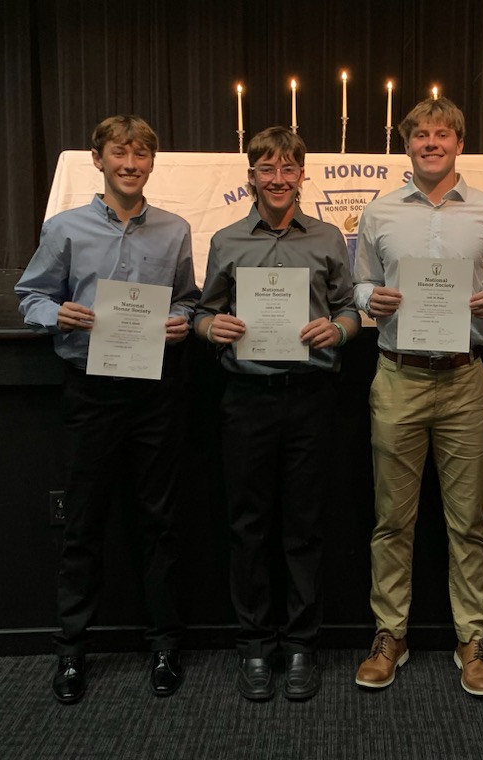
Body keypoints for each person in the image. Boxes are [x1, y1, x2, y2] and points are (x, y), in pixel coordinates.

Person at [15, 114, 199, 704]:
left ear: (151, 163)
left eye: (141, 155)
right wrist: (55, 314)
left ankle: (165, 643)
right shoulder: (65, 228)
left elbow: (190, 302)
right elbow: (31, 295)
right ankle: (71, 651)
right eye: (120, 154)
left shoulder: (174, 230)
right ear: (98, 160)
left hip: (154, 393)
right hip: (90, 391)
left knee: (159, 522)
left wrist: (184, 324)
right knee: (84, 522)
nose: (130, 164)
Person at [352, 97, 483, 698]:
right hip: (397, 375)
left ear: (458, 143)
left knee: (468, 521)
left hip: (464, 379)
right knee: (392, 520)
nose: (430, 143)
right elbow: (360, 281)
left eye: (441, 134)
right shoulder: (378, 213)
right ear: (407, 144)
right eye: (419, 134)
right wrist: (373, 297)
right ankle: (389, 634)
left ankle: (471, 639)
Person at [194, 126, 360, 702]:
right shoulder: (226, 241)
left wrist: (338, 328)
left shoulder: (328, 239)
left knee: (305, 527)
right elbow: (202, 311)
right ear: (252, 178)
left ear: (302, 175)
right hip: (246, 401)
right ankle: (255, 645)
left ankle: (300, 645)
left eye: (289, 168)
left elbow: (348, 309)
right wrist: (210, 327)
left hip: (311, 399)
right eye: (268, 169)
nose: (279, 179)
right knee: (247, 526)